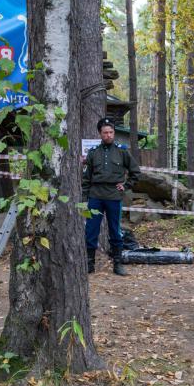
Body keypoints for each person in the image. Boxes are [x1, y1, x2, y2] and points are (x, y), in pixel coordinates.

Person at [82, 117, 141, 276]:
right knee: (91, 230)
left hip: (114, 196)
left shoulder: (122, 151)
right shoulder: (93, 153)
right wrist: (84, 199)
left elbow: (136, 172)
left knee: (115, 230)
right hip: (95, 196)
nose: (108, 135)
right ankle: (89, 263)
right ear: (100, 134)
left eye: (111, 132)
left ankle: (118, 263)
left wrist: (126, 185)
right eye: (105, 132)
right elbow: (86, 178)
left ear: (114, 133)